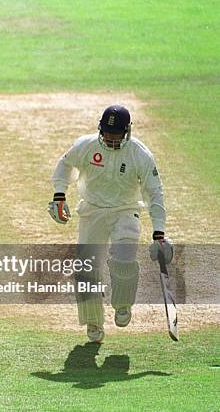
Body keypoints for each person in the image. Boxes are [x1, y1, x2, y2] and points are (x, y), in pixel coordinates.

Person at [47, 105, 173, 343]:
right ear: (100, 129)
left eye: (116, 133)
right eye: (107, 132)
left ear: (127, 131)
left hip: (125, 210)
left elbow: (155, 193)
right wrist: (59, 194)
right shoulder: (86, 146)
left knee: (124, 256)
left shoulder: (139, 154)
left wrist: (159, 232)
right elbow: (65, 165)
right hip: (92, 211)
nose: (111, 138)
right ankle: (93, 321)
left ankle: (123, 304)